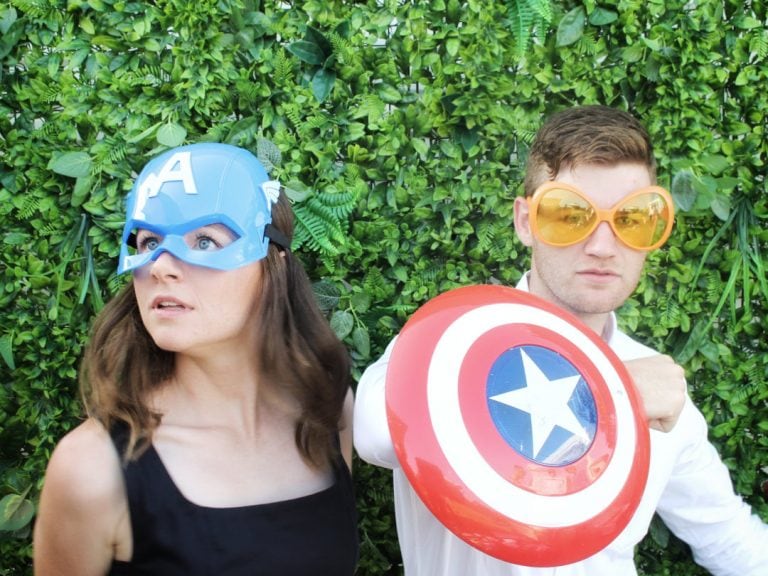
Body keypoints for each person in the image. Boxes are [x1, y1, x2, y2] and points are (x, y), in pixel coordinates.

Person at [353, 105, 768, 575]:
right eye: (570, 215)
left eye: (633, 218)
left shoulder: (660, 390)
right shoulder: (444, 346)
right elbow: (375, 433)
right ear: (526, 222)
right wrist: (608, 392)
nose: (603, 245)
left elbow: (732, 541)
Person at [33, 143, 359, 575]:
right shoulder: (92, 470)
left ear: (273, 262)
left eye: (205, 240)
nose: (161, 267)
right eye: (148, 241)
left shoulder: (329, 411)